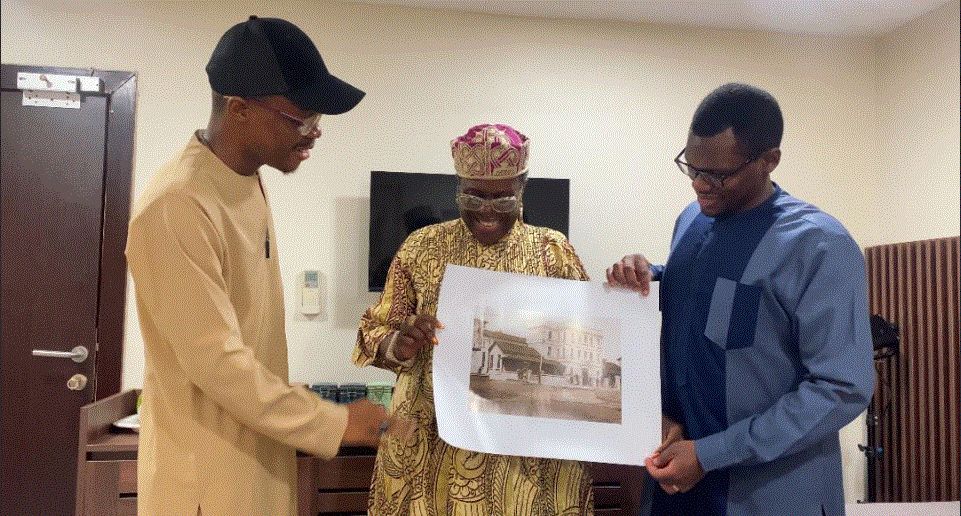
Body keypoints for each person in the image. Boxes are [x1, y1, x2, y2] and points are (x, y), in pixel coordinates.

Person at [126, 16, 389, 515]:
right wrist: (336, 422)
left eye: (317, 120)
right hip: (205, 480)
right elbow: (218, 363)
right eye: (300, 119)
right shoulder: (177, 205)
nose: (314, 134)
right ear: (240, 109)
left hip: (257, 460)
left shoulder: (246, 181)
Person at [606, 83, 874, 515]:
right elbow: (703, 303)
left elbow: (842, 388)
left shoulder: (819, 246)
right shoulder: (691, 222)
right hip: (675, 489)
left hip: (769, 495)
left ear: (769, 160)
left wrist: (711, 453)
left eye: (716, 175)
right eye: (690, 167)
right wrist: (647, 275)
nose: (698, 185)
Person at [354, 124, 595, 515]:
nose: (486, 210)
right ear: (458, 186)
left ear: (522, 189)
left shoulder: (552, 251)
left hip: (524, 456)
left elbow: (585, 339)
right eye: (474, 196)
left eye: (502, 200)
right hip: (429, 447)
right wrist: (401, 343)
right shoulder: (422, 246)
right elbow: (371, 332)